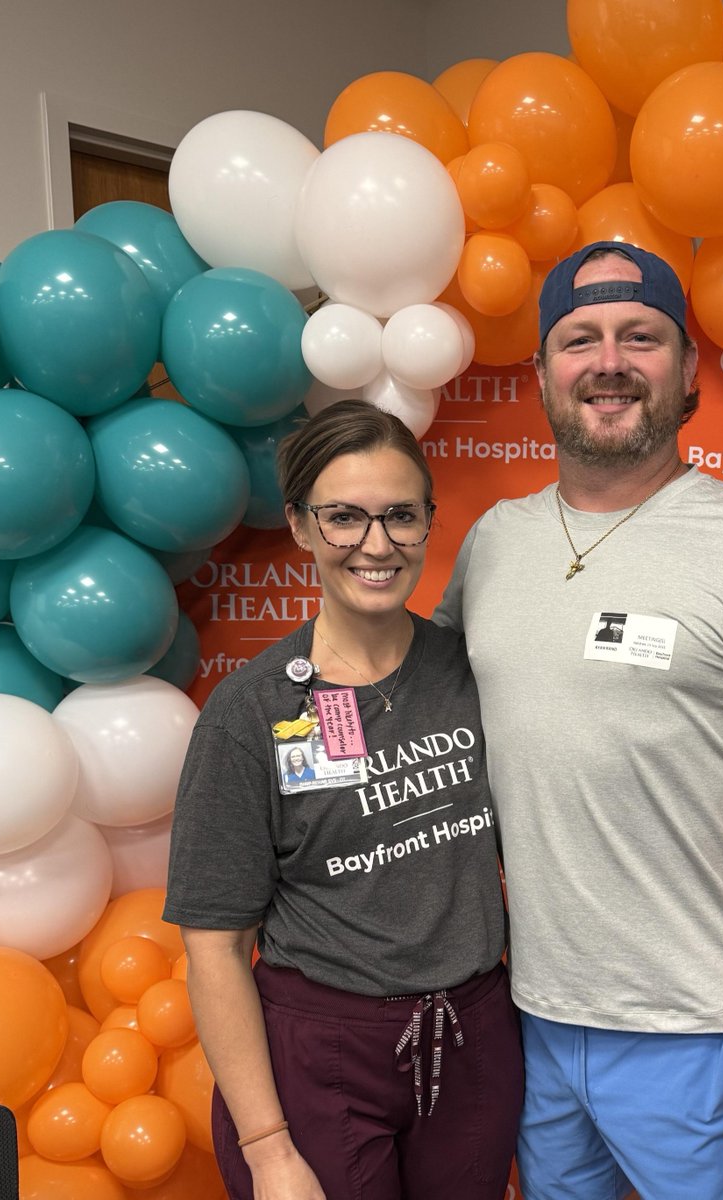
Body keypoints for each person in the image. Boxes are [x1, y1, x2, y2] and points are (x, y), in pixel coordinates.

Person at [435, 241, 723, 1200]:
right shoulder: (493, 544)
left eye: (641, 337)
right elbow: (422, 714)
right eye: (579, 338)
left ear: (686, 371)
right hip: (531, 1015)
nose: (608, 361)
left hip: (697, 1033)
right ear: (544, 373)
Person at [164, 401, 522, 1200]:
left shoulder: (478, 674)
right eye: (344, 518)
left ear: (429, 521)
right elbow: (215, 947)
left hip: (473, 1042)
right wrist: (267, 1151)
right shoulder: (249, 712)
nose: (376, 544)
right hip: (320, 1059)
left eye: (400, 516)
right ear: (298, 526)